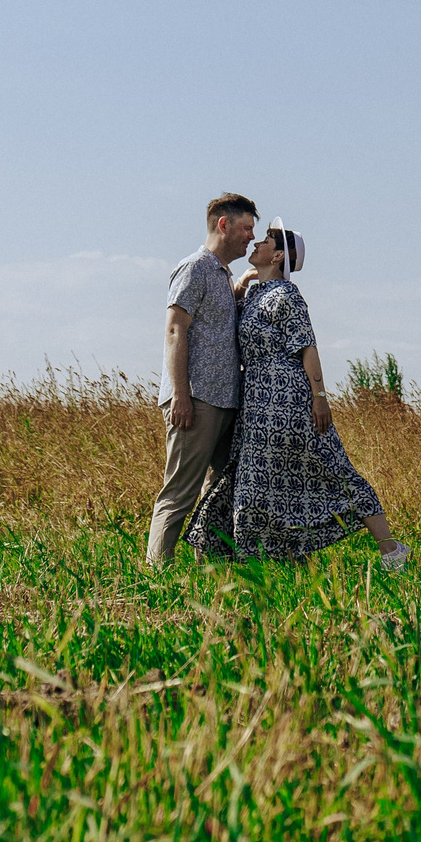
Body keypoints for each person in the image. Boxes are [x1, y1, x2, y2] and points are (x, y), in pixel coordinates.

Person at [187, 220, 409, 571]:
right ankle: (277, 563)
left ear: (278, 256)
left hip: (289, 398)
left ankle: (391, 550)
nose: (256, 243)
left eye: (266, 241)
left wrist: (319, 396)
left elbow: (307, 347)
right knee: (258, 485)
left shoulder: (287, 295)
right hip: (256, 403)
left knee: (333, 470)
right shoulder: (256, 294)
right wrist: (243, 282)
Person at [144, 192, 258, 567]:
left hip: (225, 400)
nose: (250, 237)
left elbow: (215, 326)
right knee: (180, 491)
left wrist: (239, 289)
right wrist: (181, 395)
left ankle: (210, 567)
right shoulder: (194, 268)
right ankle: (157, 573)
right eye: (246, 228)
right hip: (196, 399)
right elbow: (175, 330)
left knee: (218, 490)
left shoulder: (222, 275)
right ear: (224, 225)